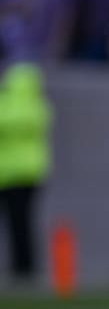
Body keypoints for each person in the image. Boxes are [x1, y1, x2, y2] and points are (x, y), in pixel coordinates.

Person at [0, 61, 52, 280]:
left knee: (19, 223)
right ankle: (24, 267)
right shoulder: (39, 105)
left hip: (11, 173)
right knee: (22, 223)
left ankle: (23, 268)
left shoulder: (10, 105)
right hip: (31, 172)